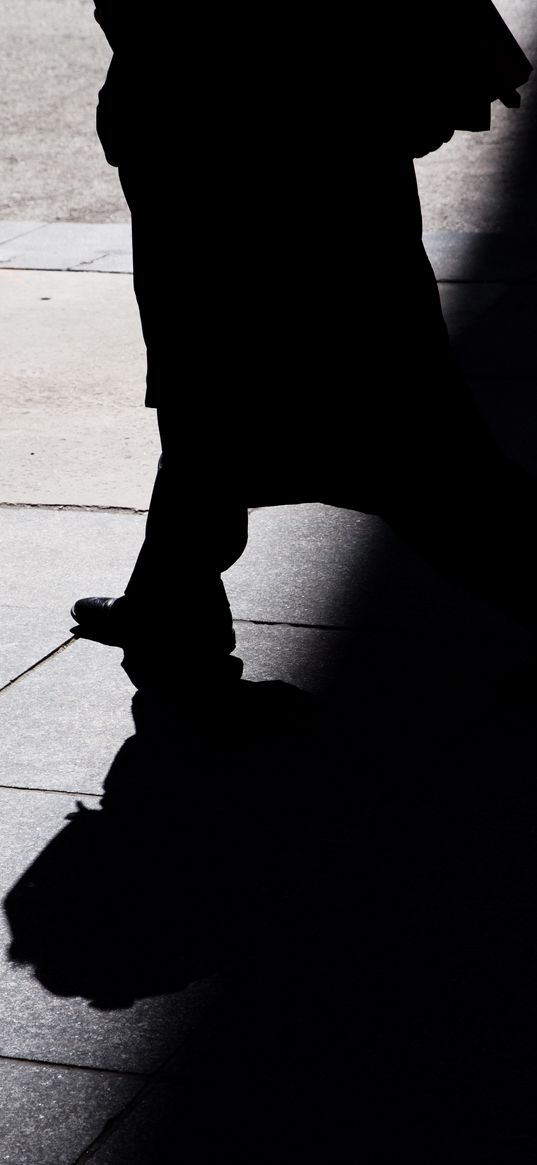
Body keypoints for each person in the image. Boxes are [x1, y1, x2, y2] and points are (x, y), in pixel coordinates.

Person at [72, 2, 534, 690]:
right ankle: (169, 603)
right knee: (320, 393)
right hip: (291, 118)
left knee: (360, 417)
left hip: (229, 123)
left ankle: (171, 607)